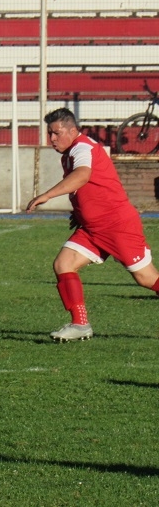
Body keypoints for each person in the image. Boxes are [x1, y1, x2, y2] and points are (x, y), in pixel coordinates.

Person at [26, 108, 159, 341]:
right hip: (92, 228)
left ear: (72, 130)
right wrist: (79, 212)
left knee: (146, 279)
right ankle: (80, 324)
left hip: (117, 225)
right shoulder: (68, 153)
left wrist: (47, 195)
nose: (52, 139)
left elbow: (83, 175)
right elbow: (90, 187)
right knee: (63, 263)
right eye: (50, 133)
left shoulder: (82, 147)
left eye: (56, 133)